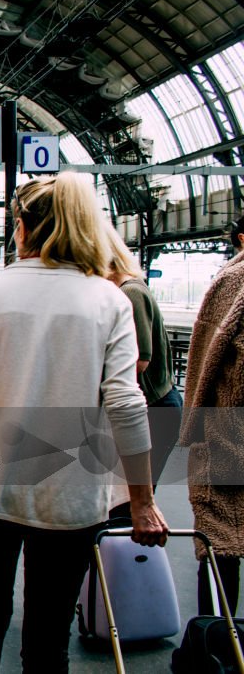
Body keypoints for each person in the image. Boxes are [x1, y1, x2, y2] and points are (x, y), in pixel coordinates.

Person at [0, 173, 168, 673]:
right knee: (48, 635)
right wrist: (142, 502)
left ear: (22, 228)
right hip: (72, 498)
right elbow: (126, 404)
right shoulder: (108, 300)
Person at [181, 243, 244, 615]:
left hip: (227, 438)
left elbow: (205, 363)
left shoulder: (232, 281)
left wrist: (192, 429)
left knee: (221, 547)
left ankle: (216, 648)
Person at [102, 225, 182, 491]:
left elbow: (138, 361)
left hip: (155, 408)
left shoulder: (130, 292)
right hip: (158, 404)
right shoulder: (131, 289)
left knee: (136, 488)